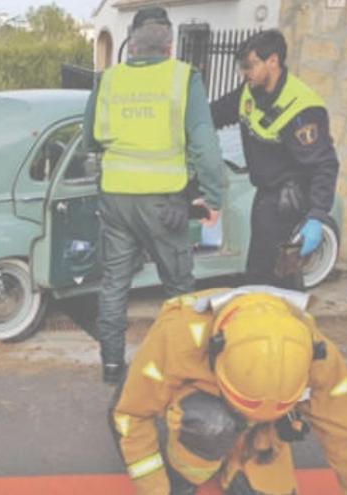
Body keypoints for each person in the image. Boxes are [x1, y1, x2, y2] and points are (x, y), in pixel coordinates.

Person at [109, 288, 347, 495]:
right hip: (196, 406)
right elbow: (131, 415)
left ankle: (239, 455)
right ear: (215, 355)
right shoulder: (179, 336)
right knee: (210, 424)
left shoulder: (315, 352)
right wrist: (157, 489)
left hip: (261, 430)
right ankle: (182, 473)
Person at [84, 7, 226, 384]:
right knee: (178, 288)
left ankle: (112, 365)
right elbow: (206, 147)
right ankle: (181, 366)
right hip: (165, 205)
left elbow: (90, 138)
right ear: (169, 45)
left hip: (116, 199)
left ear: (131, 44)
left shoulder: (108, 80)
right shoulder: (183, 78)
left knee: (115, 284)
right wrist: (212, 195)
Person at [210, 30, 340, 290]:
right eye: (242, 67)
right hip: (267, 196)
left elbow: (325, 164)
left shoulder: (301, 107)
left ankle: (283, 326)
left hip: (289, 201)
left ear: (273, 61)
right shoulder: (250, 91)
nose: (244, 73)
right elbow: (217, 113)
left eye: (250, 66)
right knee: (260, 273)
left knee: (277, 278)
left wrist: (317, 215)